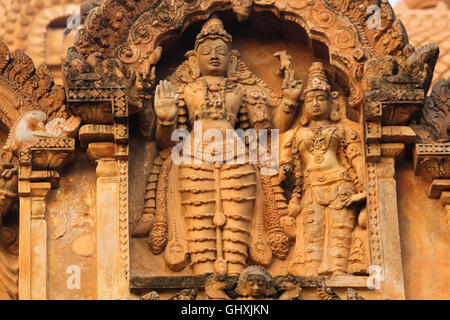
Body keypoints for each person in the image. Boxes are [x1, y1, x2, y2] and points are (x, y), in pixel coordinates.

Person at [280, 62, 366, 276]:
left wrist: (365, 191)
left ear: (332, 101)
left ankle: (340, 273)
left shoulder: (345, 130)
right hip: (311, 189)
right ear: (304, 106)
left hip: (341, 185)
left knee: (340, 234)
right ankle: (310, 278)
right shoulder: (294, 135)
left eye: (321, 98)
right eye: (310, 99)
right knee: (312, 234)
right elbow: (288, 168)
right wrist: (285, 176)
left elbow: (357, 161)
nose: (315, 103)